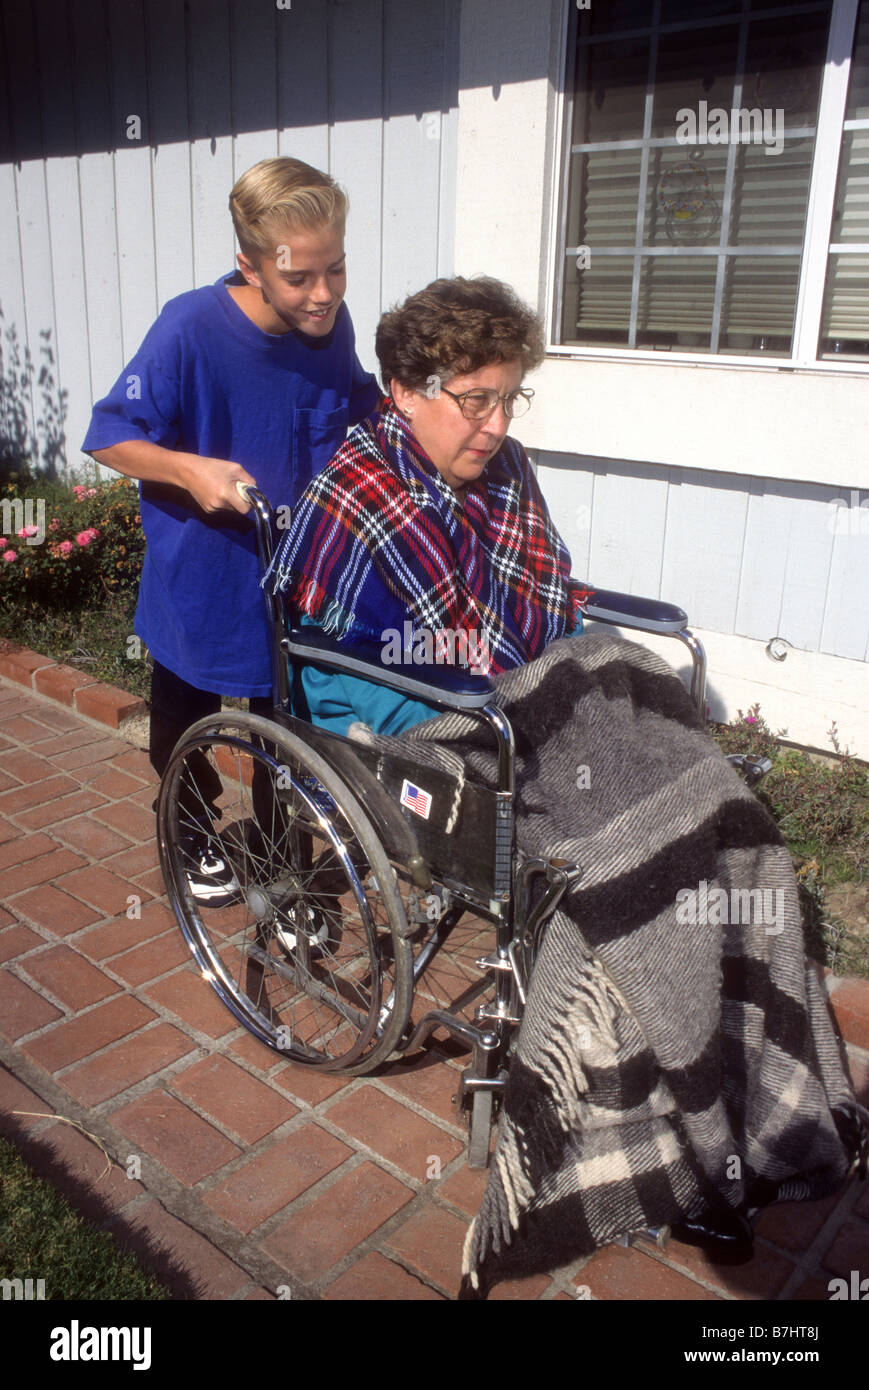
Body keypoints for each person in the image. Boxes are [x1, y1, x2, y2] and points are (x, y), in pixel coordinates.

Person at [266, 275, 867, 1297]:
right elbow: (322, 671)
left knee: (721, 831)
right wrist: (485, 690)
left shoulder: (502, 475)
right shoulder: (350, 496)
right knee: (629, 877)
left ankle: (742, 1101)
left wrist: (572, 663)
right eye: (477, 400)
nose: (498, 426)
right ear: (405, 388)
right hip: (429, 730)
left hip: (527, 703)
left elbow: (548, 605)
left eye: (511, 400)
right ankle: (693, 1145)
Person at [83, 156, 380, 791]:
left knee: (294, 741)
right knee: (185, 727)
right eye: (298, 277)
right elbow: (109, 436)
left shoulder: (332, 328)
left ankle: (283, 866)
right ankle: (189, 837)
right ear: (251, 265)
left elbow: (357, 408)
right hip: (203, 587)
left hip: (299, 585)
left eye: (336, 269)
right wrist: (188, 470)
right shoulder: (189, 328)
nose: (323, 293)